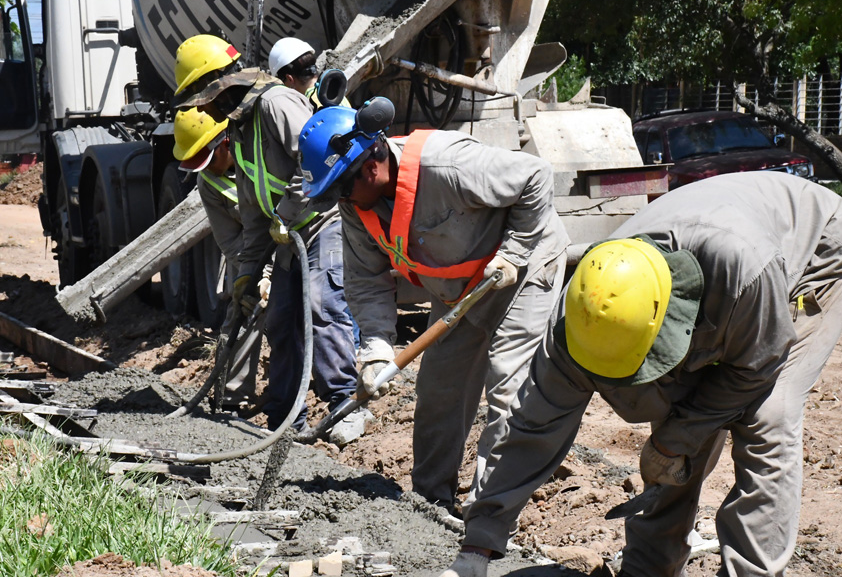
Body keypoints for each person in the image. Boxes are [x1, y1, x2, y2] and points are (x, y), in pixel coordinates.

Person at [433, 171, 842, 577]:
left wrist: (674, 437)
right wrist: (478, 545)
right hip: (719, 248)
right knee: (679, 419)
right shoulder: (584, 314)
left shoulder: (745, 271)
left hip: (810, 249)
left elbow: (756, 365)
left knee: (767, 420)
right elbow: (533, 428)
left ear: (667, 322)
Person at [297, 104, 569, 513]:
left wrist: (514, 253)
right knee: (440, 390)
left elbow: (535, 176)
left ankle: (488, 515)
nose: (341, 202)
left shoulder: (447, 164)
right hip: (459, 286)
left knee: (507, 386)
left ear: (369, 168)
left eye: (340, 189)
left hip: (521, 271)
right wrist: (375, 348)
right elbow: (365, 281)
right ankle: (429, 504)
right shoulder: (358, 208)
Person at [174, 34, 360, 433]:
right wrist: (246, 272)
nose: (207, 108)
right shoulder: (241, 130)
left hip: (321, 219)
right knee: (279, 320)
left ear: (224, 85)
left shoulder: (275, 103)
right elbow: (256, 216)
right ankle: (285, 418)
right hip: (288, 232)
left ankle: (344, 402)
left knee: (321, 304)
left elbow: (318, 159)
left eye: (207, 99)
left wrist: (288, 214)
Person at [172, 107, 264, 413]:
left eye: (208, 162)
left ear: (225, 141)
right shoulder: (208, 184)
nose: (207, 171)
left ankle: (319, 392)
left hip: (294, 237)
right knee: (245, 309)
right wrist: (254, 276)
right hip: (253, 252)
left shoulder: (261, 152)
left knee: (308, 311)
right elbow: (231, 242)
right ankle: (229, 397)